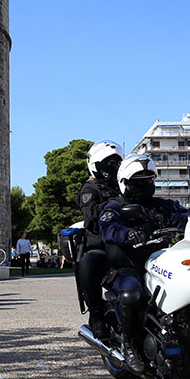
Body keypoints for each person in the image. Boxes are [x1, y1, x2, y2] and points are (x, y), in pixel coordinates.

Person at [99, 155, 188, 375]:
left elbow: (185, 217)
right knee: (131, 293)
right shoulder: (115, 207)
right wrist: (128, 233)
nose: (145, 185)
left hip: (161, 263)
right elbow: (109, 228)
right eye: (138, 181)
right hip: (127, 266)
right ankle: (130, 345)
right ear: (124, 183)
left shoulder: (163, 205)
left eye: (149, 180)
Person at [74, 140, 123, 339]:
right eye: (108, 163)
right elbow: (92, 213)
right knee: (88, 263)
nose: (112, 167)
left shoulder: (124, 185)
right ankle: (96, 315)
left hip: (128, 243)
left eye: (115, 163)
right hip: (102, 244)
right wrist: (116, 203)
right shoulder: (90, 188)